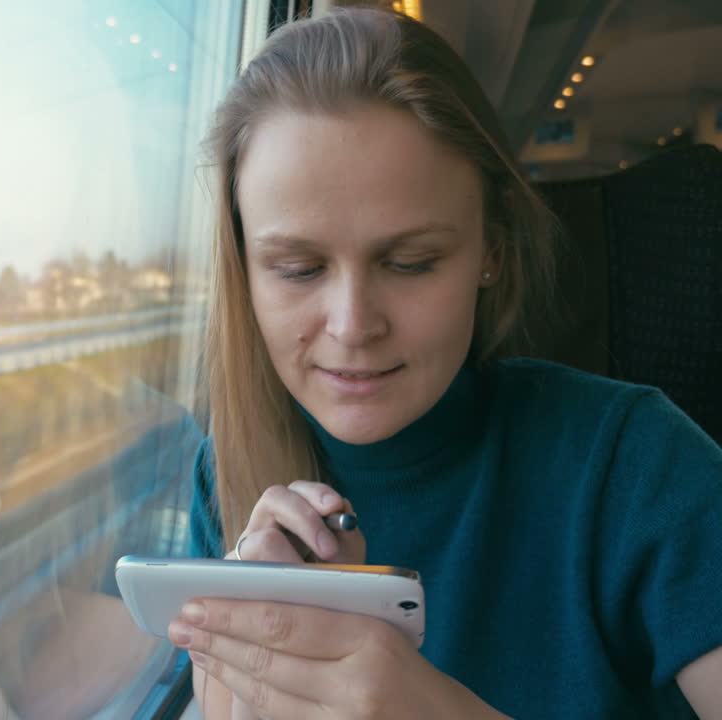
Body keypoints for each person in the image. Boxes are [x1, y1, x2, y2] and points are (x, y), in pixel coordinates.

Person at [169, 7, 722, 719]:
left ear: (491, 251)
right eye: (299, 269)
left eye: (410, 262)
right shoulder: (222, 482)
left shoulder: (637, 463)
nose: (353, 326)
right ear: (243, 270)